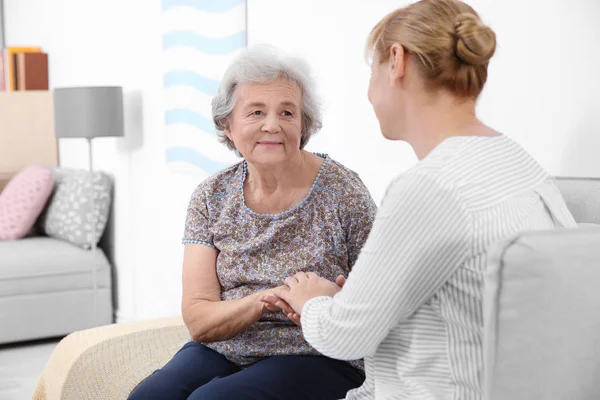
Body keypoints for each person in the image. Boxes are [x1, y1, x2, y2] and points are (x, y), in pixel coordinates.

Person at [262, 1, 577, 399]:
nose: (369, 92)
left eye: (371, 71)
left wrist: (312, 302)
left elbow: (343, 337)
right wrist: (356, 301)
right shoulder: (517, 162)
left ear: (397, 62)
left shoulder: (429, 187)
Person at [128, 45, 377, 400]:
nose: (272, 125)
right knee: (148, 397)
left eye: (287, 112)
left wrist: (332, 301)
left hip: (315, 354)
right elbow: (199, 319)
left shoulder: (343, 191)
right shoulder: (211, 196)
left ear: (303, 125)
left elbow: (378, 298)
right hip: (227, 346)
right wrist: (266, 298)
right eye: (256, 111)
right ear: (227, 126)